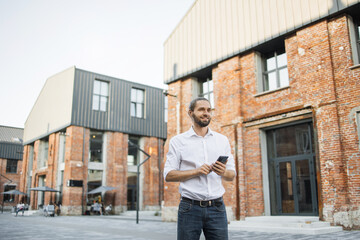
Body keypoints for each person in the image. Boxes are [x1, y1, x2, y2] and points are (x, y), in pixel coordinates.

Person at [164, 97, 236, 240]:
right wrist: (196, 171)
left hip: (217, 207)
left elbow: (231, 175)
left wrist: (223, 172)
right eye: (201, 109)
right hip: (189, 208)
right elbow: (168, 175)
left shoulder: (222, 140)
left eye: (209, 110)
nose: (206, 113)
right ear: (190, 113)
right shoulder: (178, 141)